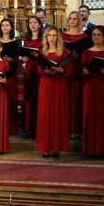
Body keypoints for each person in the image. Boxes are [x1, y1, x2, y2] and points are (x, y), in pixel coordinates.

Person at [81, 25, 104, 159]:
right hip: (90, 87)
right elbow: (82, 70)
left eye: (99, 35)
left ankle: (103, 149)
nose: (96, 37)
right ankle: (90, 149)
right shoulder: (86, 52)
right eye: (94, 35)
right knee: (90, 116)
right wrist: (84, 72)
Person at [35, 26, 71, 158]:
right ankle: (46, 147)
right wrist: (44, 71)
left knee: (58, 114)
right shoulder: (42, 52)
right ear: (46, 37)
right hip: (46, 84)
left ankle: (56, 147)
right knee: (45, 115)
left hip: (59, 85)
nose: (51, 38)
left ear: (58, 37)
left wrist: (63, 71)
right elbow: (38, 69)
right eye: (49, 35)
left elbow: (70, 70)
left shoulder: (64, 52)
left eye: (54, 35)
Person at [62, 11, 90, 138]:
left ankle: (77, 129)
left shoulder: (84, 37)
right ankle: (66, 128)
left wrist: (77, 56)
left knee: (77, 98)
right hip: (64, 69)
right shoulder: (62, 36)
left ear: (79, 21)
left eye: (75, 19)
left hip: (78, 69)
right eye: (70, 19)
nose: (72, 21)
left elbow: (88, 54)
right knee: (65, 98)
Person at [0, 18, 19, 135]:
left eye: (7, 25)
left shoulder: (16, 42)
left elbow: (17, 60)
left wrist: (11, 61)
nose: (5, 27)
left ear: (11, 27)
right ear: (0, 27)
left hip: (11, 75)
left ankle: (10, 128)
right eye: (3, 25)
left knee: (10, 101)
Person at [21, 15, 43, 135]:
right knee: (28, 96)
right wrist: (24, 57)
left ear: (40, 24)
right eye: (30, 23)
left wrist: (37, 55)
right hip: (29, 68)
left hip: (39, 68)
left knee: (38, 96)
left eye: (35, 22)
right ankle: (28, 126)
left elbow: (46, 55)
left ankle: (37, 126)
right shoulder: (27, 38)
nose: (33, 25)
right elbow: (24, 53)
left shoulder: (43, 38)